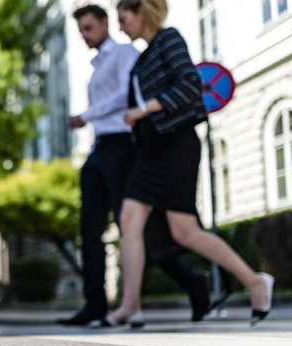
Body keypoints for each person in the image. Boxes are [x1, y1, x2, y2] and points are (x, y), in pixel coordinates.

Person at [93, 0, 274, 328]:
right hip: (149, 152)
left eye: (124, 19)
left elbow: (190, 85)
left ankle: (255, 282)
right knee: (129, 221)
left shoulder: (169, 39)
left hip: (176, 146)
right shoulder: (142, 57)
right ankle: (129, 306)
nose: (121, 27)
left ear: (142, 13)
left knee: (186, 231)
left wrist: (144, 109)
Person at [58, 4, 210, 326]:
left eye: (88, 28)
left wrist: (85, 116)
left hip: (124, 148)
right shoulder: (96, 65)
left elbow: (124, 99)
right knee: (92, 228)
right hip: (99, 149)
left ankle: (189, 282)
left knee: (138, 228)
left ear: (104, 23)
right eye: (80, 30)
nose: (85, 35)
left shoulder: (127, 53)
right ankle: (96, 303)